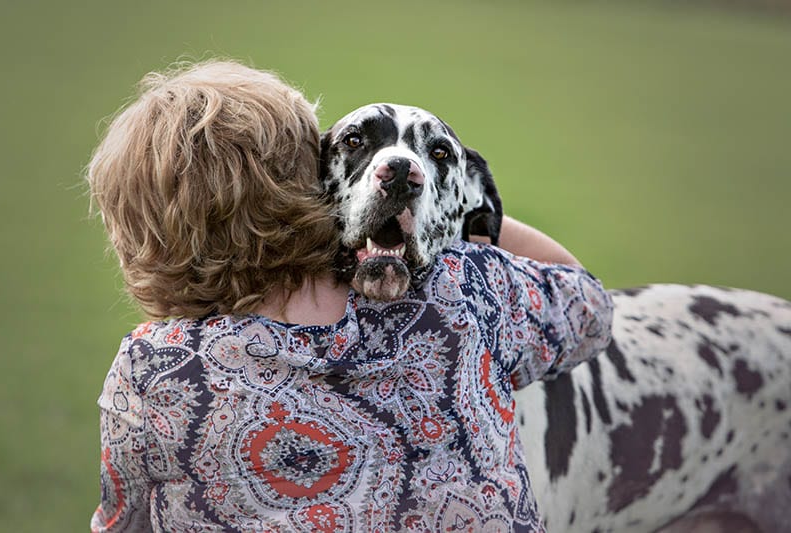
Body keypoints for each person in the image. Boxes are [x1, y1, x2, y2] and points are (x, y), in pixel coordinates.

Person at [87, 60, 613, 532]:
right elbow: (589, 305)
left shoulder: (151, 371)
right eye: (351, 146)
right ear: (301, 181)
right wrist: (448, 218)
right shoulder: (468, 292)